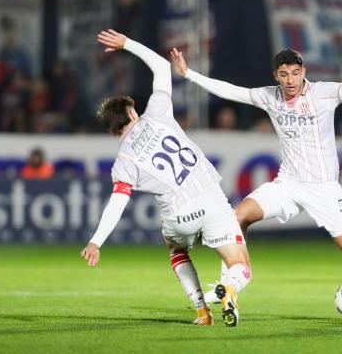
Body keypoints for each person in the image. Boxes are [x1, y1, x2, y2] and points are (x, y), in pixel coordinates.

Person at [171, 47, 342, 312]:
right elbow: (232, 91)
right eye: (284, 74)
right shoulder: (269, 96)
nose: (290, 80)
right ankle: (229, 289)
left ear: (303, 72)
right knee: (236, 217)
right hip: (288, 184)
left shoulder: (323, 92)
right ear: (275, 76)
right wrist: (189, 74)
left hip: (323, 188)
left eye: (295, 73)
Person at [80, 30, 251, 327]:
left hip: (177, 215)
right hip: (210, 197)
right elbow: (161, 66)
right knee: (240, 265)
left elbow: (117, 203)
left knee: (176, 248)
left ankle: (202, 311)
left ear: (111, 131)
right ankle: (230, 288)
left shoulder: (123, 161)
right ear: (132, 113)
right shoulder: (157, 113)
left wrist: (96, 241)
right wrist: (126, 44)